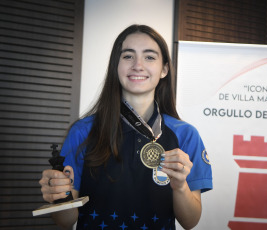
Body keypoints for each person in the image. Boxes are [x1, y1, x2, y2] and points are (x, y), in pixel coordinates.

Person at [39, 24, 212, 230]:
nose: (138, 65)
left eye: (149, 57)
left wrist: (180, 186)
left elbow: (190, 222)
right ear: (116, 65)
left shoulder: (186, 135)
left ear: (164, 69)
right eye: (128, 56)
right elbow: (65, 221)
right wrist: (60, 196)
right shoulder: (83, 131)